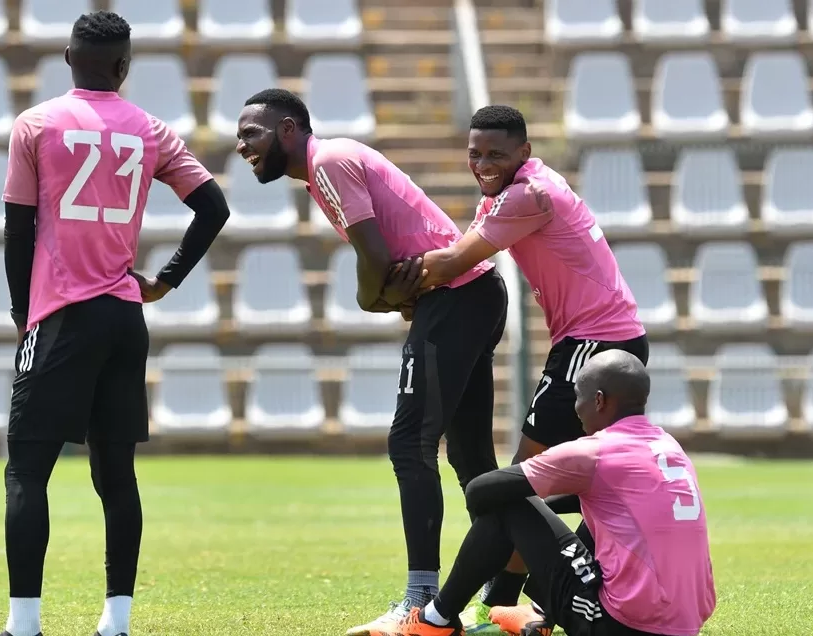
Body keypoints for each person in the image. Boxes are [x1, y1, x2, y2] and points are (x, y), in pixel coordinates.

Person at [236, 88, 508, 636]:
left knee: (411, 444)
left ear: (288, 129)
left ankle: (422, 599)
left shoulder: (330, 162)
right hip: (472, 296)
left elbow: (375, 269)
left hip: (452, 301)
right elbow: (380, 273)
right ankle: (499, 596)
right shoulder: (326, 168)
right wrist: (381, 290)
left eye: (251, 134)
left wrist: (375, 296)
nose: (241, 146)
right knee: (473, 458)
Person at [0, 11, 229, 636]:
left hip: (61, 315)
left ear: (68, 58)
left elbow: (18, 229)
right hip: (125, 317)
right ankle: (116, 620)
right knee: (116, 475)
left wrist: (26, 315)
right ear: (125, 67)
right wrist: (167, 279)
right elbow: (214, 206)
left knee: (26, 469)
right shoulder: (150, 130)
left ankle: (24, 624)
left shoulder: (36, 124)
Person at [405, 105, 649, 632]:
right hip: (603, 337)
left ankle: (495, 600)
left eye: (496, 154)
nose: (484, 163)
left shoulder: (528, 195)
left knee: (519, 477)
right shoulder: (514, 190)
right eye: (475, 154)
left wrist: (390, 281)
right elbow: (459, 258)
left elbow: (452, 263)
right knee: (562, 478)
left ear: (525, 153)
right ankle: (531, 597)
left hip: (594, 344)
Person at [373, 349, 717, 636]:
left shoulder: (595, 452)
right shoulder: (668, 447)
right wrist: (551, 507)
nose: (575, 407)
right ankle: (538, 613)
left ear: (599, 400)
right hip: (684, 624)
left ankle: (435, 620)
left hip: (622, 624)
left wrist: (531, 511)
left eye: (578, 396)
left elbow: (480, 491)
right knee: (599, 508)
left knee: (508, 504)